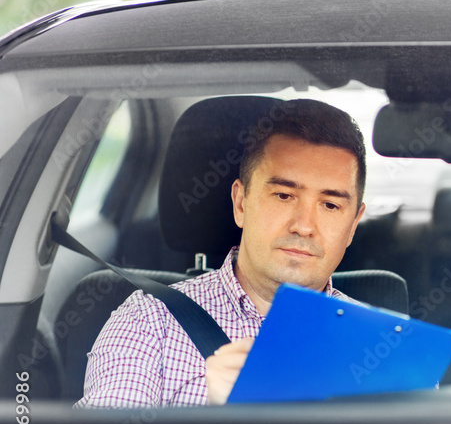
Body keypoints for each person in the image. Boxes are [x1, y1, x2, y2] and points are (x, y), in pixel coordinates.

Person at [76, 99, 367, 407]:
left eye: (331, 205)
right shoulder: (149, 323)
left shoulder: (379, 345)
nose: (304, 226)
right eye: (283, 195)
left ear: (352, 225)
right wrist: (215, 419)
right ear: (241, 203)